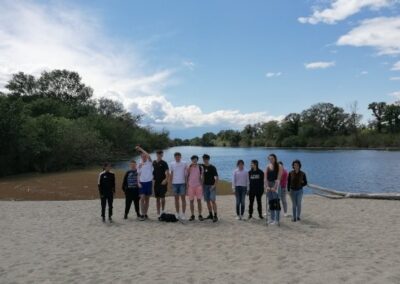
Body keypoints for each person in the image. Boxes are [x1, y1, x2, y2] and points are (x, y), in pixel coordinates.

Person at [265, 154, 283, 225]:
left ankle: (277, 220)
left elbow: (279, 178)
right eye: (269, 159)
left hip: (276, 185)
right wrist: (266, 186)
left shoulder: (279, 166)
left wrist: (275, 187)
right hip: (269, 185)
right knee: (271, 202)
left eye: (272, 158)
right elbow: (265, 178)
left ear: (275, 158)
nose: (271, 160)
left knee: (276, 202)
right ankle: (272, 219)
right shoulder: (267, 166)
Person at [136, 146, 153, 220]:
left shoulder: (149, 162)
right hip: (142, 183)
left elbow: (148, 155)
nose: (144, 157)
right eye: (142, 156)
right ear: (141, 157)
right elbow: (138, 174)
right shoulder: (139, 164)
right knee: (142, 198)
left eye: (145, 156)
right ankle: (142, 214)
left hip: (149, 182)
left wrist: (140, 149)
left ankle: (146, 214)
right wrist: (138, 182)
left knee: (147, 199)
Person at [170, 152, 188, 220]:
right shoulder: (172, 163)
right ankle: (177, 213)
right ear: (174, 157)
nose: (177, 158)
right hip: (174, 183)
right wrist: (170, 183)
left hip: (182, 183)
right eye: (176, 157)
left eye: (178, 156)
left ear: (180, 157)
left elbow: (186, 173)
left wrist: (187, 183)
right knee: (176, 199)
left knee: (183, 199)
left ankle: (183, 214)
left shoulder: (184, 163)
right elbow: (171, 174)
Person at [153, 150, 170, 220]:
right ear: (156, 154)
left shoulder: (164, 163)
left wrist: (166, 179)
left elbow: (167, 172)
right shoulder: (154, 162)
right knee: (157, 198)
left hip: (162, 183)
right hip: (156, 183)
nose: (159, 155)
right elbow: (147, 156)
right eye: (158, 154)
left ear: (162, 155)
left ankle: (162, 211)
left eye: (160, 154)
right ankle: (158, 212)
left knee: (162, 198)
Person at [186, 155, 204, 221]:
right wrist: (187, 185)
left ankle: (200, 215)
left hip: (198, 186)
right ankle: (192, 215)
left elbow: (202, 176)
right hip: (191, 186)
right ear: (191, 160)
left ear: (197, 160)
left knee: (199, 201)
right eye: (193, 159)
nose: (194, 160)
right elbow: (187, 176)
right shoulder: (189, 167)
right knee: (191, 201)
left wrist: (202, 185)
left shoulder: (200, 167)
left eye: (195, 159)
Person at [202, 154, 219, 222]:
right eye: (204, 159)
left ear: (208, 159)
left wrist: (214, 185)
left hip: (212, 186)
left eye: (206, 159)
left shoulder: (212, 167)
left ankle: (215, 215)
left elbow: (217, 178)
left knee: (213, 201)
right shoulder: (202, 166)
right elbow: (193, 165)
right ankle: (210, 215)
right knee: (207, 201)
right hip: (205, 186)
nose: (205, 160)